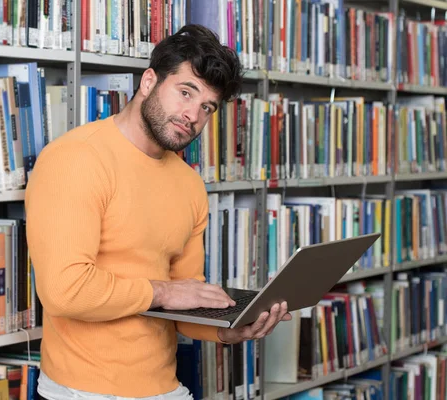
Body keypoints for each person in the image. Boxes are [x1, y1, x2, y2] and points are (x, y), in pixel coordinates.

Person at [24, 24, 292, 400]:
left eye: (206, 107)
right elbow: (64, 292)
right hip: (82, 391)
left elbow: (185, 301)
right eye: (185, 92)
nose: (192, 115)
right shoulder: (76, 160)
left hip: (165, 388)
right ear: (149, 81)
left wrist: (226, 330)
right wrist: (164, 291)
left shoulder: (189, 184)